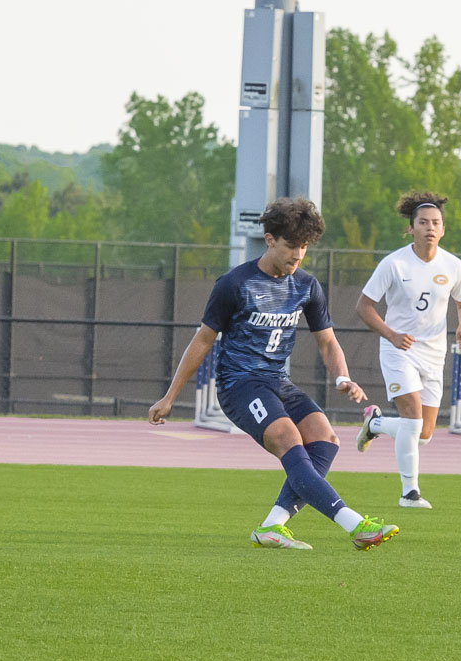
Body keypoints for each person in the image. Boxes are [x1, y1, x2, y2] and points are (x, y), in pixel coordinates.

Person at [148, 196, 399, 551]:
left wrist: (342, 376)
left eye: (304, 247)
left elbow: (327, 342)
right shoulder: (234, 284)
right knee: (287, 438)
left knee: (325, 440)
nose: (298, 254)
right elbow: (202, 341)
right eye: (291, 246)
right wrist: (170, 396)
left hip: (277, 382)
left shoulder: (307, 286)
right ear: (269, 240)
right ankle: (355, 524)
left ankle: (271, 526)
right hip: (240, 384)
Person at [354, 191, 461, 509]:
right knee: (412, 419)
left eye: (436, 223)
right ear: (411, 228)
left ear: (443, 229)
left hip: (434, 354)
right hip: (399, 350)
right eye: (423, 223)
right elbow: (364, 307)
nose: (430, 228)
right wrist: (391, 335)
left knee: (423, 434)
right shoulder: (393, 263)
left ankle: (375, 424)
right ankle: (409, 493)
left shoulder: (453, 265)